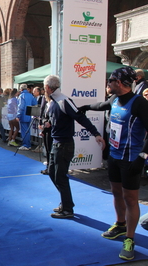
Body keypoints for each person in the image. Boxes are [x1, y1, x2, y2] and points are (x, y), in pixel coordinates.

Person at [78, 67, 148, 261]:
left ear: (119, 83)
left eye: (110, 81)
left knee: (130, 199)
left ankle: (130, 239)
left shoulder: (139, 103)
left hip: (131, 159)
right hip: (115, 156)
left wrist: (142, 156)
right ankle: (120, 224)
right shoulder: (115, 100)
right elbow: (102, 105)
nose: (107, 84)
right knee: (116, 192)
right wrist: (86, 107)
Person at [43, 75, 105, 219]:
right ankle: (66, 203)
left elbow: (80, 117)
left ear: (47, 88)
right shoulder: (52, 102)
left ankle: (68, 209)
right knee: (52, 173)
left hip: (64, 145)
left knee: (60, 176)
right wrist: (47, 126)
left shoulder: (64, 101)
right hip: (57, 143)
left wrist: (95, 133)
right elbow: (54, 121)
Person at [16, 84, 37, 150]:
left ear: (21, 89)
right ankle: (28, 144)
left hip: (23, 115)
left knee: (24, 131)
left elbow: (21, 106)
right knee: (27, 130)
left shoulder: (22, 96)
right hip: (29, 115)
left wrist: (18, 115)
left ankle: (26, 145)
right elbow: (35, 103)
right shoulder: (31, 95)